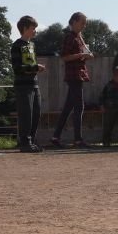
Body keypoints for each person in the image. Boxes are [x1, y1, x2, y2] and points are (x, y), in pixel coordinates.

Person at [51, 12, 93, 148]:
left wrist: (85, 55)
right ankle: (78, 140)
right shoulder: (70, 37)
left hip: (78, 74)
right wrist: (81, 55)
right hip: (74, 75)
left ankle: (55, 136)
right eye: (82, 23)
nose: (84, 25)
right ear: (74, 22)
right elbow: (64, 57)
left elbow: (81, 54)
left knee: (68, 107)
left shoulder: (77, 37)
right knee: (79, 107)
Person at [11, 15, 46, 152]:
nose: (35, 31)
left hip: (34, 84)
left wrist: (35, 68)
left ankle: (31, 141)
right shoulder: (17, 45)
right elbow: (17, 68)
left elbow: (31, 63)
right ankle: (25, 143)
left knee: (36, 113)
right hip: (22, 85)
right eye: (33, 28)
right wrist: (35, 67)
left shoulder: (32, 45)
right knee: (26, 115)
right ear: (25, 28)